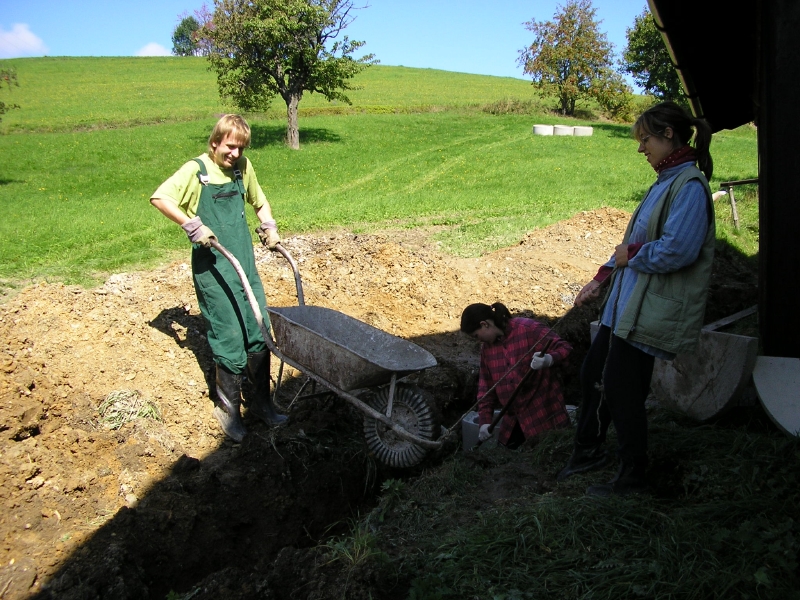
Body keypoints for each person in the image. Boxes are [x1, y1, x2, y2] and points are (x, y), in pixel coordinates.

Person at [561, 101, 716, 496]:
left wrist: (632, 256)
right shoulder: (664, 182)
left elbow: (678, 249)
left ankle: (633, 476)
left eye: (645, 139)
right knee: (592, 374)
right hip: (625, 303)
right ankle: (589, 451)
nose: (640, 149)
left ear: (668, 135)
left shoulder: (690, 187)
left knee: (620, 388)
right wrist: (600, 279)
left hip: (648, 309)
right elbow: (631, 247)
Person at [150, 114, 287, 443]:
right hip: (213, 268)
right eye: (230, 146)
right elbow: (160, 197)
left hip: (244, 264)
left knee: (258, 331)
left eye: (240, 148)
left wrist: (269, 226)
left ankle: (261, 405)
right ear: (215, 142)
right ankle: (227, 411)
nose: (235, 154)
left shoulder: (242, 168)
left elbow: (260, 201)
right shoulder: (196, 171)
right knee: (228, 338)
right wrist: (192, 225)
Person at [460, 302, 572, 449]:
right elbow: (486, 388)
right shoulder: (487, 350)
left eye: (476, 335)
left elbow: (565, 348)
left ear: (485, 324)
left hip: (545, 417)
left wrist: (550, 359)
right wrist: (485, 422)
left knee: (549, 460)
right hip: (513, 421)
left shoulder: (528, 329)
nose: (478, 340)